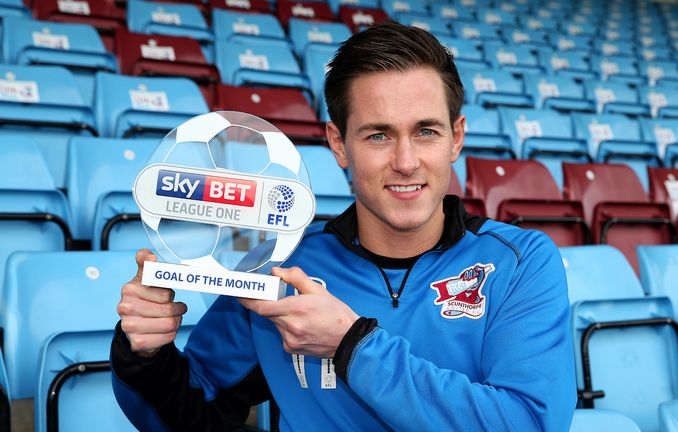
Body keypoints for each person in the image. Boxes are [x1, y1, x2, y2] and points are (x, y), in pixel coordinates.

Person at [111, 20, 576, 431]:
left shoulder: (520, 262)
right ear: (339, 144)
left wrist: (353, 347)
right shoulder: (278, 266)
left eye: (426, 131)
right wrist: (145, 355)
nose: (406, 162)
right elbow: (194, 411)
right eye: (378, 135)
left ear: (456, 138)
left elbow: (529, 421)